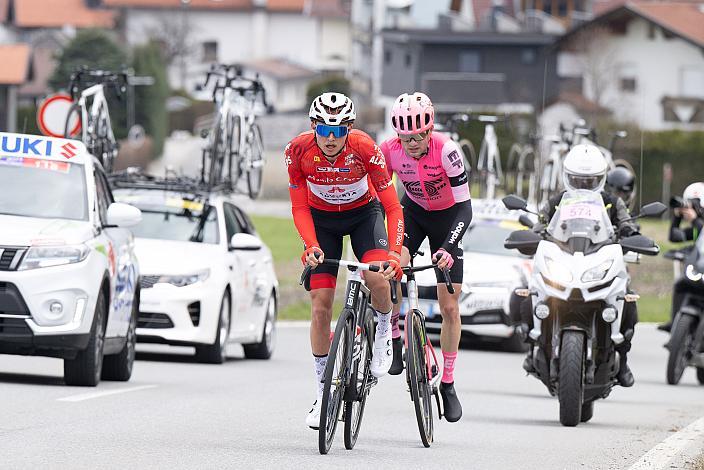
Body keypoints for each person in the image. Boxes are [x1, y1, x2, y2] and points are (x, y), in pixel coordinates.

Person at [285, 92, 404, 429]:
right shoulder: (297, 151)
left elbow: (393, 207)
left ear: (350, 129)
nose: (332, 139)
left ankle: (383, 331)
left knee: (377, 279)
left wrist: (394, 253)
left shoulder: (366, 148)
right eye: (325, 130)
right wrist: (309, 244)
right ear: (314, 127)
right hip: (322, 224)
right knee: (321, 305)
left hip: (363, 217)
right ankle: (323, 391)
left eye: (340, 131)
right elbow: (299, 206)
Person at [511, 144, 639, 387]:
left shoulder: (611, 202)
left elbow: (626, 223)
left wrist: (630, 232)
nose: (583, 185)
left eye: (590, 181)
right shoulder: (557, 201)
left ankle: (622, 359)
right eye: (578, 180)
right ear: (567, 177)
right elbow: (541, 222)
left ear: (601, 179)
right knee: (529, 290)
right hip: (564, 257)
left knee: (628, 296)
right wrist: (534, 233)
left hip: (599, 257)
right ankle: (532, 345)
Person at [380, 92, 472, 422]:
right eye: (406, 137)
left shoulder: (448, 151)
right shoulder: (388, 151)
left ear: (429, 131)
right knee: (391, 267)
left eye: (419, 136)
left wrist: (447, 246)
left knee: (449, 306)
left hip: (448, 219)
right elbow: (380, 195)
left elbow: (465, 206)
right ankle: (393, 335)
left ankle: (447, 382)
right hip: (414, 213)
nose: (413, 143)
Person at [658, 182, 704, 332]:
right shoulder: (696, 227)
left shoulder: (699, 224)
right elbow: (674, 237)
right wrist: (677, 217)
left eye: (693, 204)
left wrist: (694, 219)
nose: (690, 208)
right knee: (681, 283)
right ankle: (675, 323)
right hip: (699, 266)